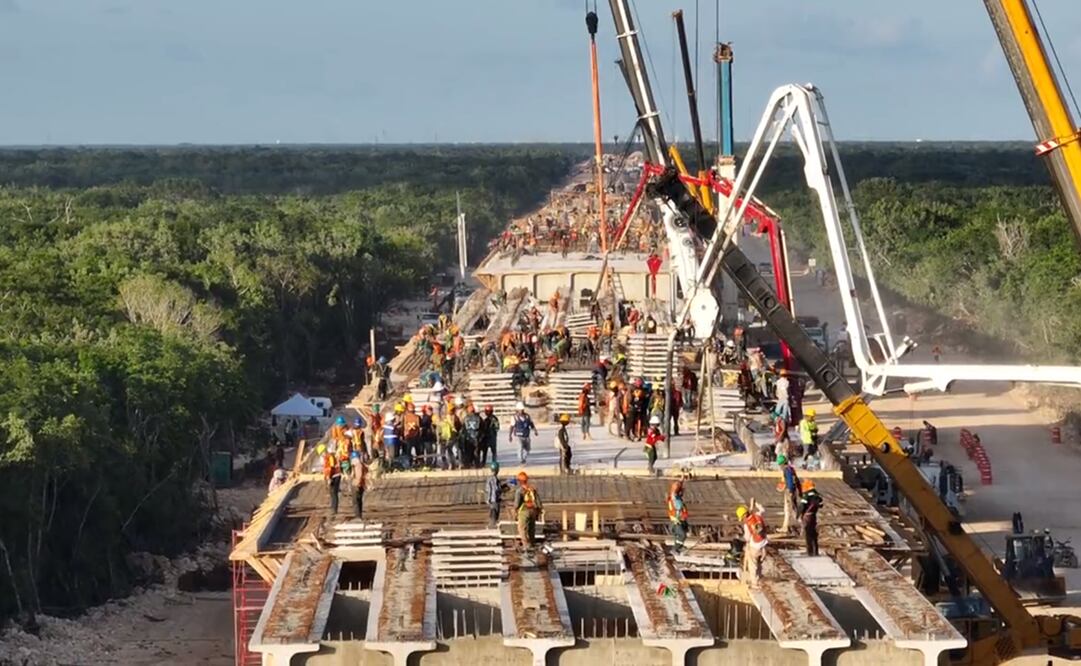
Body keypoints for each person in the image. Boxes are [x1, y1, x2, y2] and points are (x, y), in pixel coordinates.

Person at [738, 504, 769, 586]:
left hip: (754, 546)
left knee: (752, 565)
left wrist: (744, 539)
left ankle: (755, 584)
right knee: (759, 564)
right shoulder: (758, 516)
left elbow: (747, 538)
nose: (742, 520)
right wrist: (757, 505)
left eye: (742, 518)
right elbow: (763, 510)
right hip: (764, 545)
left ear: (744, 515)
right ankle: (759, 579)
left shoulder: (746, 524)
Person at [515, 471, 541, 551]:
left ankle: (526, 545)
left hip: (524, 511)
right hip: (533, 511)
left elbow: (517, 504)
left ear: (519, 481)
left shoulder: (519, 491)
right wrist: (538, 511)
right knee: (531, 528)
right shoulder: (532, 489)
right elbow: (538, 502)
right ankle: (532, 544)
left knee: (521, 529)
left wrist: (515, 512)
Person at [798, 479, 824, 556]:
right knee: (813, 533)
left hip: (807, 516)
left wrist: (798, 514)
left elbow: (802, 506)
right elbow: (821, 504)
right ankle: (815, 551)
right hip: (814, 515)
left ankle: (809, 551)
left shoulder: (806, 495)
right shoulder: (817, 494)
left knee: (808, 534)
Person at [777, 454, 801, 534]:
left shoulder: (786, 470)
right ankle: (800, 521)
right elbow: (796, 480)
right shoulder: (791, 469)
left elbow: (790, 481)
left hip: (789, 491)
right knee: (793, 507)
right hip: (793, 490)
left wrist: (790, 491)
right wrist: (799, 490)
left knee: (787, 509)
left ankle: (785, 527)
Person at [666, 480, 689, 553]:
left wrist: (682, 481)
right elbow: (674, 491)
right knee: (682, 535)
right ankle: (675, 548)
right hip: (676, 521)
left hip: (681, 520)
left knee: (683, 534)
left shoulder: (677, 498)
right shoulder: (674, 499)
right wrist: (678, 484)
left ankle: (679, 547)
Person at [486, 462, 506, 528]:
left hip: (492, 499)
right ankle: (492, 525)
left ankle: (491, 524)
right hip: (495, 499)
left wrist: (488, 499)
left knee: (492, 512)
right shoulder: (495, 479)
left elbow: (488, 490)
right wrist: (502, 489)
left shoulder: (489, 479)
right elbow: (496, 489)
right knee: (495, 512)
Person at [323, 448, 342, 514]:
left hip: (334, 476)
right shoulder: (329, 457)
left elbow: (331, 467)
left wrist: (329, 477)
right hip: (334, 475)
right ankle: (333, 507)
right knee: (332, 493)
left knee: (333, 492)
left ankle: (334, 509)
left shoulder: (329, 457)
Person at [462, 404, 482, 468]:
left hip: (468, 438)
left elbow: (463, 428)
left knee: (468, 452)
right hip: (476, 438)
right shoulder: (478, 418)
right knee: (476, 452)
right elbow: (482, 428)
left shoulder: (466, 418)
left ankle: (468, 465)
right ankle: (477, 465)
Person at [351, 450, 369, 518]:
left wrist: (357, 483)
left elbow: (359, 475)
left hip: (357, 484)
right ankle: (359, 515)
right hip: (360, 484)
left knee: (356, 501)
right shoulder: (360, 464)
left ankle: (358, 516)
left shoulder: (358, 465)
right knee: (359, 501)